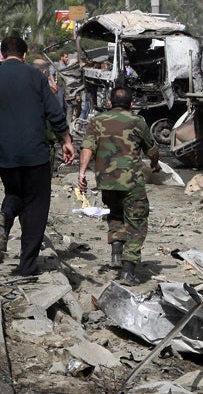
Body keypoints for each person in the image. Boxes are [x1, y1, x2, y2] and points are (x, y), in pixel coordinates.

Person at [0, 35, 75, 276]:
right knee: (36, 205)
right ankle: (27, 266)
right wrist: (66, 140)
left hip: (4, 155)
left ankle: (5, 214)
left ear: (2, 55)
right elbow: (55, 112)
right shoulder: (36, 77)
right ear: (24, 56)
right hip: (36, 154)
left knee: (14, 193)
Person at [78, 86, 159, 286]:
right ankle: (128, 271)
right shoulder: (138, 122)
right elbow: (152, 149)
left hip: (106, 182)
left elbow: (87, 147)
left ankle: (116, 250)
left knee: (115, 214)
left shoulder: (96, 121)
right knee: (137, 223)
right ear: (131, 104)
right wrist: (155, 163)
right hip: (132, 183)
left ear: (110, 103)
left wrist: (81, 173)